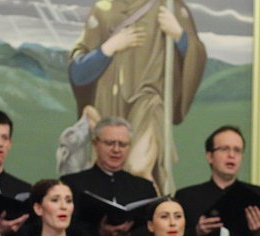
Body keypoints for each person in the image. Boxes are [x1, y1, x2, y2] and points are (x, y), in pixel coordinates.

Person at [68, 0, 206, 191]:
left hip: (149, 102)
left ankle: (152, 210)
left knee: (137, 169)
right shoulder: (104, 9)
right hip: (108, 103)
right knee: (106, 173)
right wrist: (109, 47)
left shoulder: (169, 6)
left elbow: (196, 58)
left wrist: (179, 36)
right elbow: (78, 72)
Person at [62, 116, 158, 236]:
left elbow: (153, 231)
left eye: (122, 144)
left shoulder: (144, 187)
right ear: (95, 144)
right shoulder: (73, 184)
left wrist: (129, 235)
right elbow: (66, 227)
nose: (116, 150)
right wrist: (99, 232)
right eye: (109, 143)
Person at [176, 125, 260, 236]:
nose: (231, 155)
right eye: (225, 149)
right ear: (209, 156)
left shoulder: (259, 196)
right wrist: (196, 232)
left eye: (237, 150)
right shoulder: (187, 197)